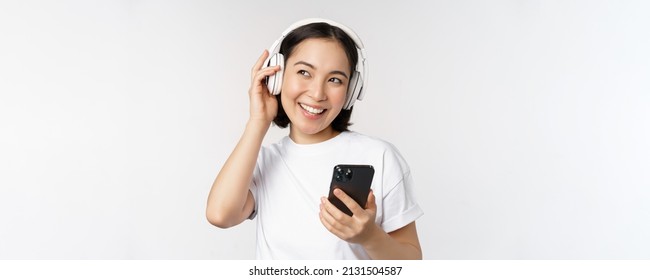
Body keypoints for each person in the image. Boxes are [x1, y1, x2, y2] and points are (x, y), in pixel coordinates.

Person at [206, 18, 423, 259]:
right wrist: (258, 121)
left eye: (335, 80)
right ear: (276, 77)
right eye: (304, 72)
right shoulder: (263, 161)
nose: (317, 93)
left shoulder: (380, 156)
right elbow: (220, 215)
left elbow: (411, 263)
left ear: (351, 91)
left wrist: (369, 236)